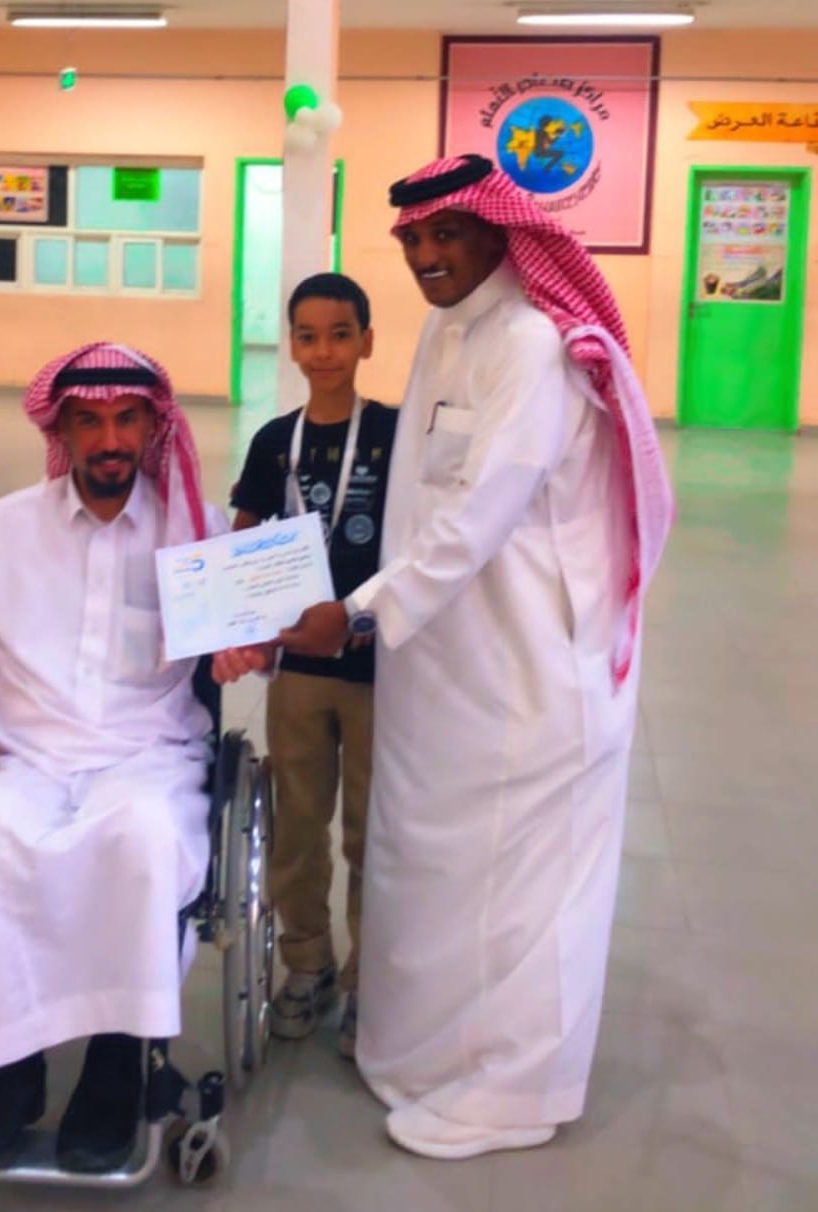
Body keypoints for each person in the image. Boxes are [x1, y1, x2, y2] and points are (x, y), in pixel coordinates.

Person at [272, 154, 674, 1159]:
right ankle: (425, 1055)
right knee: (444, 874)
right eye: (412, 238)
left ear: (501, 231)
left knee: (523, 896)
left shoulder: (533, 346)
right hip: (444, 670)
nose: (425, 254)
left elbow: (478, 517)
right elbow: (421, 503)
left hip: (527, 675)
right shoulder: (446, 333)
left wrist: (354, 614)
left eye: (446, 232)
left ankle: (513, 1090)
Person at [0, 342, 229, 1173]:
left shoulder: (193, 531)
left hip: (147, 755)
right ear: (60, 431)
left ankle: (115, 1064)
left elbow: (247, 644)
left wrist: (247, 647)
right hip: (24, 752)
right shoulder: (10, 523)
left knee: (138, 842)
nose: (110, 439)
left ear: (153, 427)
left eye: (127, 419)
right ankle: (8, 1065)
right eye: (88, 422)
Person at [223, 273, 397, 1059]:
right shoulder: (273, 441)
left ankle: (368, 978)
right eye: (307, 336)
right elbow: (243, 540)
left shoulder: (396, 435)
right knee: (297, 824)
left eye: (340, 334)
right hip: (298, 674)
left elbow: (426, 542)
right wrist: (239, 625)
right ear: (290, 344)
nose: (323, 351)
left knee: (371, 830)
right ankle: (307, 962)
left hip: (379, 670)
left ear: (367, 340)